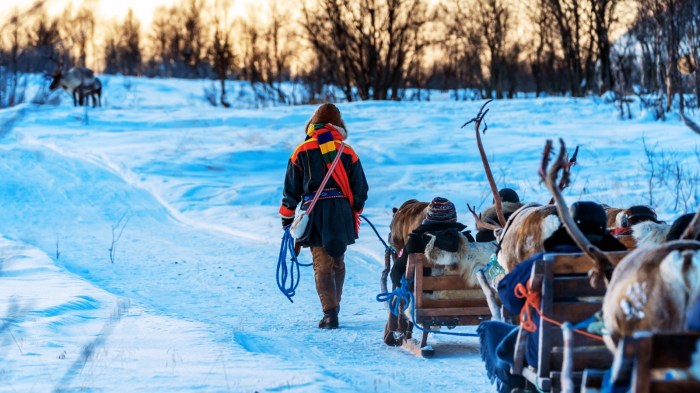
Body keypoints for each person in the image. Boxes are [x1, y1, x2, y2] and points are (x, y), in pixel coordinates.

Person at [478, 201, 626, 392]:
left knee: (493, 330)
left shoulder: (542, 262)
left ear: (567, 228)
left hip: (551, 354)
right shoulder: (625, 265)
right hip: (614, 353)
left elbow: (510, 302)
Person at [279, 103, 369, 329]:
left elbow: (291, 190)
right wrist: (352, 210)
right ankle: (334, 308)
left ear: (312, 124)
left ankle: (330, 314)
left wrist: (287, 217)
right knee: (338, 259)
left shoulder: (301, 151)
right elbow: (361, 189)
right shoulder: (347, 151)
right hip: (341, 213)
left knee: (321, 262)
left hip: (315, 211)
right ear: (339, 126)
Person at [384, 197, 475, 346]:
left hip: (427, 303)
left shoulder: (415, 242)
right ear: (453, 217)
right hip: (463, 300)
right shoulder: (467, 239)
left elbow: (395, 275)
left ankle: (398, 329)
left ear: (429, 218)